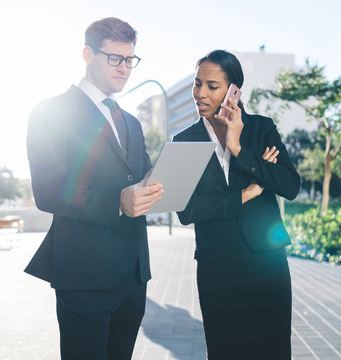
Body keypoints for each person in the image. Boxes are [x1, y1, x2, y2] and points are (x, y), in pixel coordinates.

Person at [25, 17, 163, 359]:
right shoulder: (50, 112)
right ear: (88, 54)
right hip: (85, 275)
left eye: (130, 60)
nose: (124, 69)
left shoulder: (130, 121)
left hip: (132, 276)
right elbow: (48, 190)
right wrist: (117, 201)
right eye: (114, 58)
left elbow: (142, 178)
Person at [174, 50, 301, 359]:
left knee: (272, 351)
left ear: (233, 91)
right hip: (217, 266)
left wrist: (239, 149)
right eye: (197, 83)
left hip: (267, 263)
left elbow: (290, 185)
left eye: (212, 85)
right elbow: (187, 211)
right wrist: (246, 193)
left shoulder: (260, 129)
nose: (200, 93)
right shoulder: (184, 141)